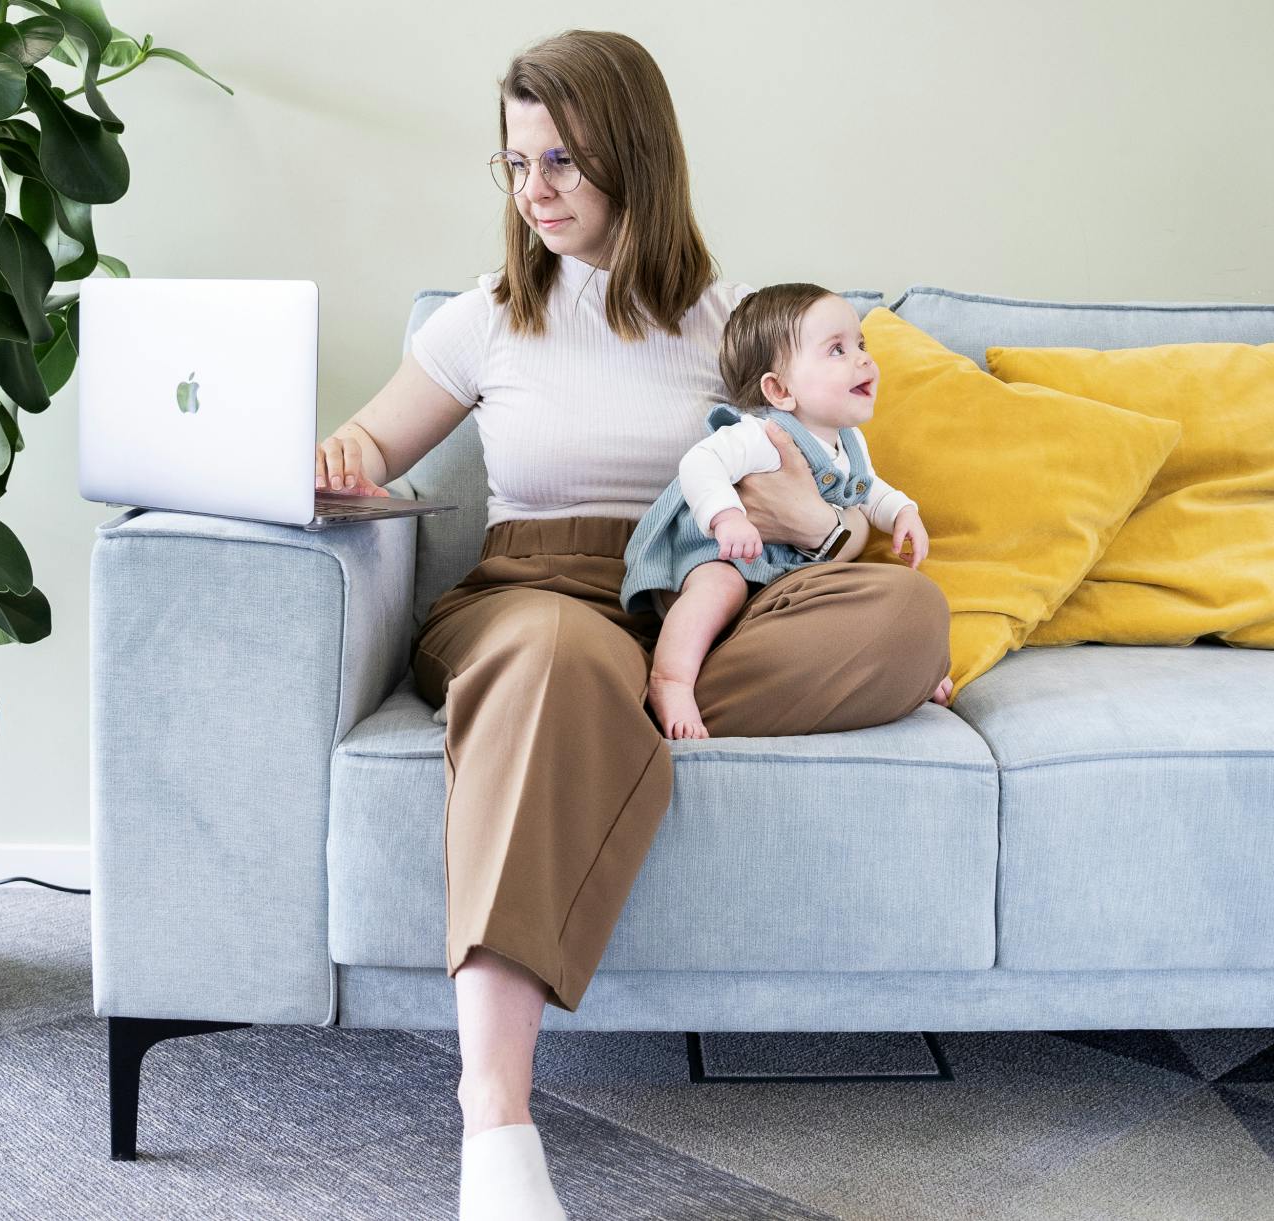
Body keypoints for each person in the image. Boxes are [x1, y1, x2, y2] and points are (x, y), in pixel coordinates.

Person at [312, 30, 953, 1221]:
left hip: (692, 613)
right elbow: (362, 453)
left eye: (562, 159)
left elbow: (837, 512)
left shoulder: (727, 326)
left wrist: (814, 524)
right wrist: (338, 460)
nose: (536, 189)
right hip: (526, 597)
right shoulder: (486, 319)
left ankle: (594, 718)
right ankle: (495, 1120)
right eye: (514, 163)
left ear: (635, 156)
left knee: (906, 616)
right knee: (555, 660)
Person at [619, 283, 952, 738]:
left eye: (861, 344)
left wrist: (903, 513)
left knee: (876, 591)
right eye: (836, 350)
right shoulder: (759, 434)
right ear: (778, 390)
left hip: (785, 570)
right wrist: (726, 517)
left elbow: (869, 489)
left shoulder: (848, 441)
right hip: (714, 553)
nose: (862, 359)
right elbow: (701, 463)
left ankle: (909, 656)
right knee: (721, 587)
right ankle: (671, 679)